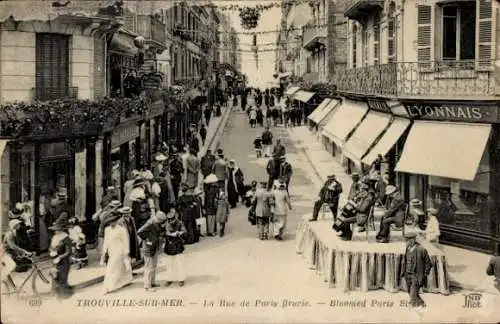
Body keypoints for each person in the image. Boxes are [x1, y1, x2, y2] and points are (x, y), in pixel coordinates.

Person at [100, 209, 134, 294]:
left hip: (120, 251)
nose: (111, 223)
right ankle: (127, 280)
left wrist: (126, 253)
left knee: (111, 269)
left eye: (113, 221)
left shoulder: (122, 229)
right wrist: (103, 253)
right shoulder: (107, 229)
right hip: (111, 251)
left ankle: (107, 287)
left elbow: (126, 241)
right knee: (121, 268)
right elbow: (106, 242)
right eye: (109, 222)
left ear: (116, 221)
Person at [137, 210, 168, 292]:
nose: (162, 222)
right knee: (149, 267)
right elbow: (140, 232)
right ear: (158, 219)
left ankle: (152, 282)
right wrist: (148, 240)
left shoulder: (157, 223)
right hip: (148, 248)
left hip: (154, 247)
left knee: (154, 266)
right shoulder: (150, 223)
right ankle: (147, 286)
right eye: (161, 220)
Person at [401, 232, 432, 307]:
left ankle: (413, 310)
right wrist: (404, 272)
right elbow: (405, 260)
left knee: (413, 294)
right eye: (406, 240)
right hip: (408, 274)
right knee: (410, 292)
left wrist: (425, 273)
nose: (406, 242)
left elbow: (429, 263)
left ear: (413, 240)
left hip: (416, 276)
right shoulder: (408, 248)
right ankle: (421, 303)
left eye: (408, 240)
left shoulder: (421, 249)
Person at [2, 219, 33, 286]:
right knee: (12, 265)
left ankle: (11, 286)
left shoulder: (14, 232)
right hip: (4, 253)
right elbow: (12, 246)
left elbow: (15, 246)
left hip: (10, 252)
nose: (19, 225)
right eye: (18, 224)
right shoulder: (10, 234)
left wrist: (21, 253)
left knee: (21, 262)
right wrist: (24, 251)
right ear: (14, 226)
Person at [48, 216, 73, 299]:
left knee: (62, 279)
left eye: (57, 229)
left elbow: (69, 252)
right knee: (54, 278)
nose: (55, 231)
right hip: (54, 260)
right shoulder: (55, 237)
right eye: (55, 229)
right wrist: (51, 251)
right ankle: (55, 296)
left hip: (64, 262)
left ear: (61, 229)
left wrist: (60, 257)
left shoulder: (66, 238)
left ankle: (64, 297)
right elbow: (51, 247)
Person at [164, 208, 187, 287]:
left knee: (180, 263)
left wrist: (180, 233)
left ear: (175, 217)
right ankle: (169, 279)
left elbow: (185, 232)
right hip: (169, 246)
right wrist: (168, 234)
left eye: (172, 219)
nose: (170, 221)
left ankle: (181, 279)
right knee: (169, 264)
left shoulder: (180, 223)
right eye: (169, 219)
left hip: (178, 246)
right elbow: (163, 233)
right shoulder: (166, 224)